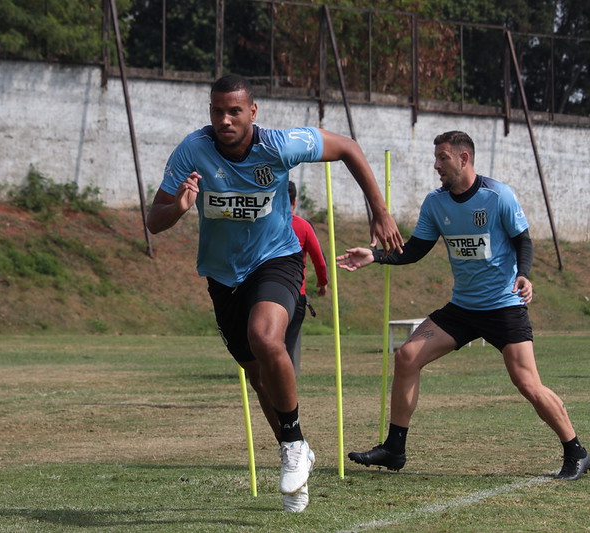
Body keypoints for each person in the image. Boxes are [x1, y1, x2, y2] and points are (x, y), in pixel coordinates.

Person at [146, 73, 404, 512]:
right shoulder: (192, 150)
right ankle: (295, 445)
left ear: (252, 112)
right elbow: (154, 219)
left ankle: (293, 450)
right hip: (222, 277)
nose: (225, 119)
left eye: (234, 111)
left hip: (277, 261)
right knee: (257, 377)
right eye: (217, 111)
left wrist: (379, 211)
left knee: (265, 338)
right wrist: (179, 207)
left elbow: (348, 148)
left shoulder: (281, 145)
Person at [337, 130, 590, 481]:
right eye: (436, 157)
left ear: (463, 159)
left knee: (527, 383)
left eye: (442, 157)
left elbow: (524, 242)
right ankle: (395, 449)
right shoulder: (435, 203)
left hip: (503, 307)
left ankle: (576, 451)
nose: (436, 165)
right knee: (407, 356)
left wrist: (525, 275)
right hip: (462, 308)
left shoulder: (498, 196)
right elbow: (414, 252)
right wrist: (376, 256)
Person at [286, 181, 329, 376]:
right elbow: (319, 261)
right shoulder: (303, 226)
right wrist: (322, 284)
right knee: (288, 345)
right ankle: (286, 384)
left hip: (262, 293)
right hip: (295, 296)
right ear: (294, 201)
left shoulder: (261, 224)